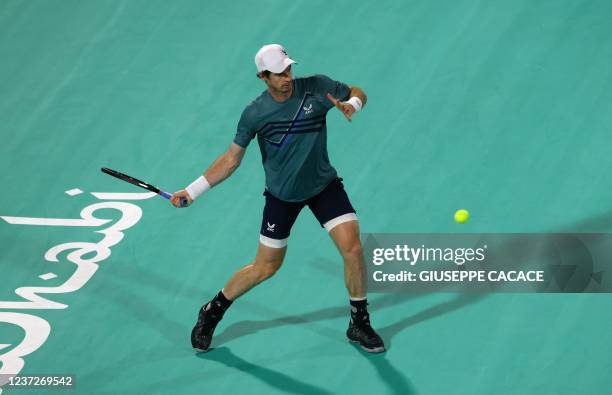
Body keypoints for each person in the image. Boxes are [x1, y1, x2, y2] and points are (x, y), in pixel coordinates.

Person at [171, 44, 385, 353]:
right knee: (266, 267)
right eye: (279, 74)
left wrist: (353, 104)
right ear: (263, 76)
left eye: (288, 70)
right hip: (282, 197)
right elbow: (231, 160)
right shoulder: (255, 114)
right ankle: (213, 310)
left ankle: (359, 323)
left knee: (352, 248)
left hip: (323, 185)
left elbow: (357, 90)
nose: (287, 77)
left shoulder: (316, 88)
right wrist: (192, 191)